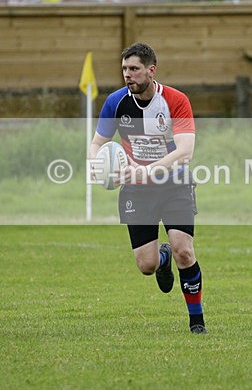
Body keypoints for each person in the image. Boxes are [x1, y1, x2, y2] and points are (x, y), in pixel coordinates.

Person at [88, 43, 207, 334]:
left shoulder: (176, 101)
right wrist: (99, 168)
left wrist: (147, 170)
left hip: (174, 185)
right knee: (147, 265)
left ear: (151, 70)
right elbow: (97, 144)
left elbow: (186, 151)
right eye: (125, 69)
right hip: (137, 191)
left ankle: (197, 322)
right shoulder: (116, 102)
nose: (128, 75)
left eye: (134, 69)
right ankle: (161, 257)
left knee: (184, 251)